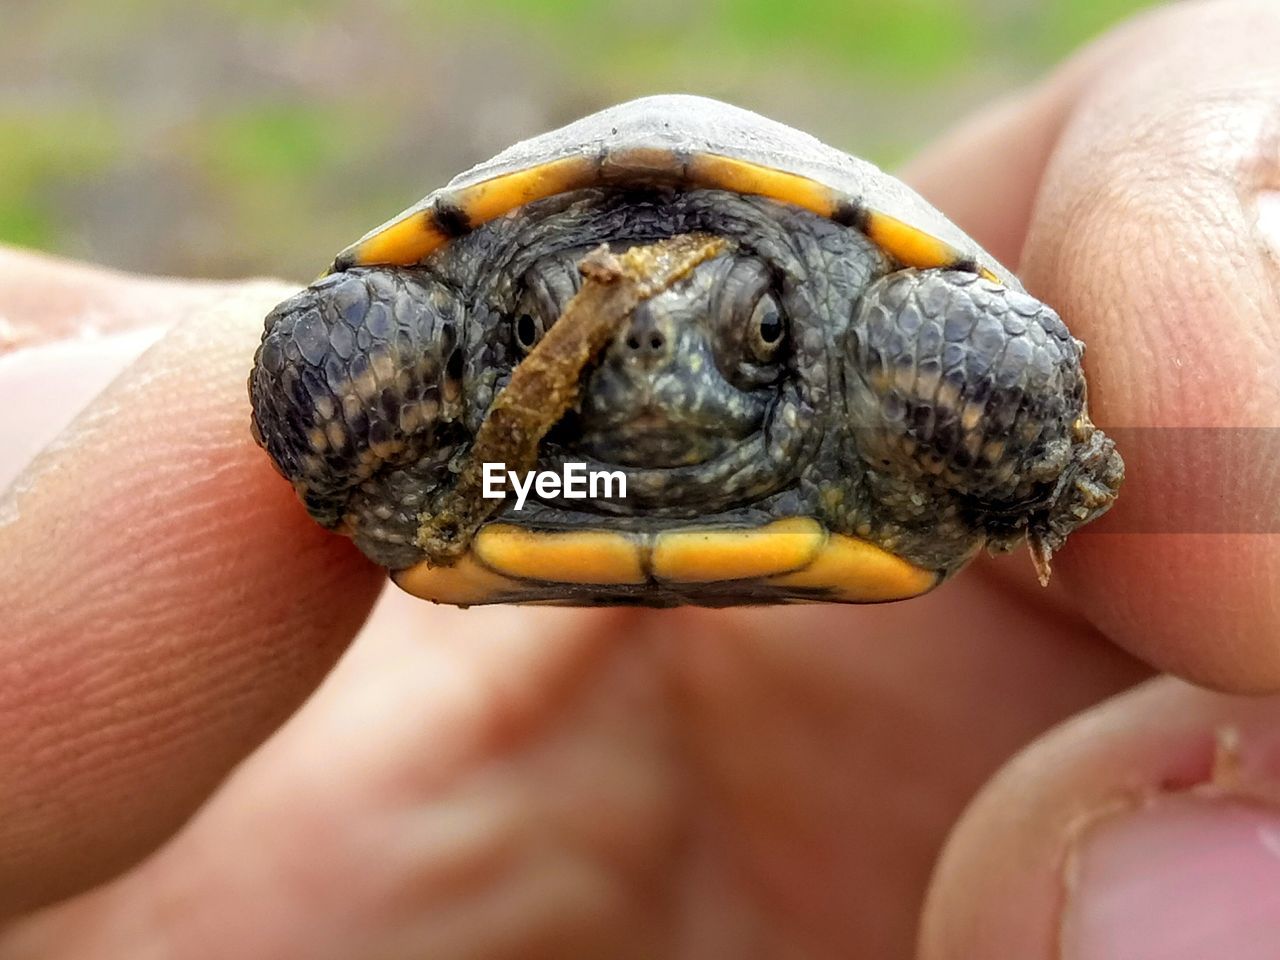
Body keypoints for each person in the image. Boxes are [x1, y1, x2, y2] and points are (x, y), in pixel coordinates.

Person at [2, 2, 1278, 956]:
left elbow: (981, 342)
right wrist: (370, 452)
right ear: (516, 331)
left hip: (757, 493)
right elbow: (321, 350)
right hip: (517, 494)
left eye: (753, 334)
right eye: (583, 336)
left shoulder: (875, 370)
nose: (657, 357)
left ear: (797, 333)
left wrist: (1033, 462)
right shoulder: (462, 415)